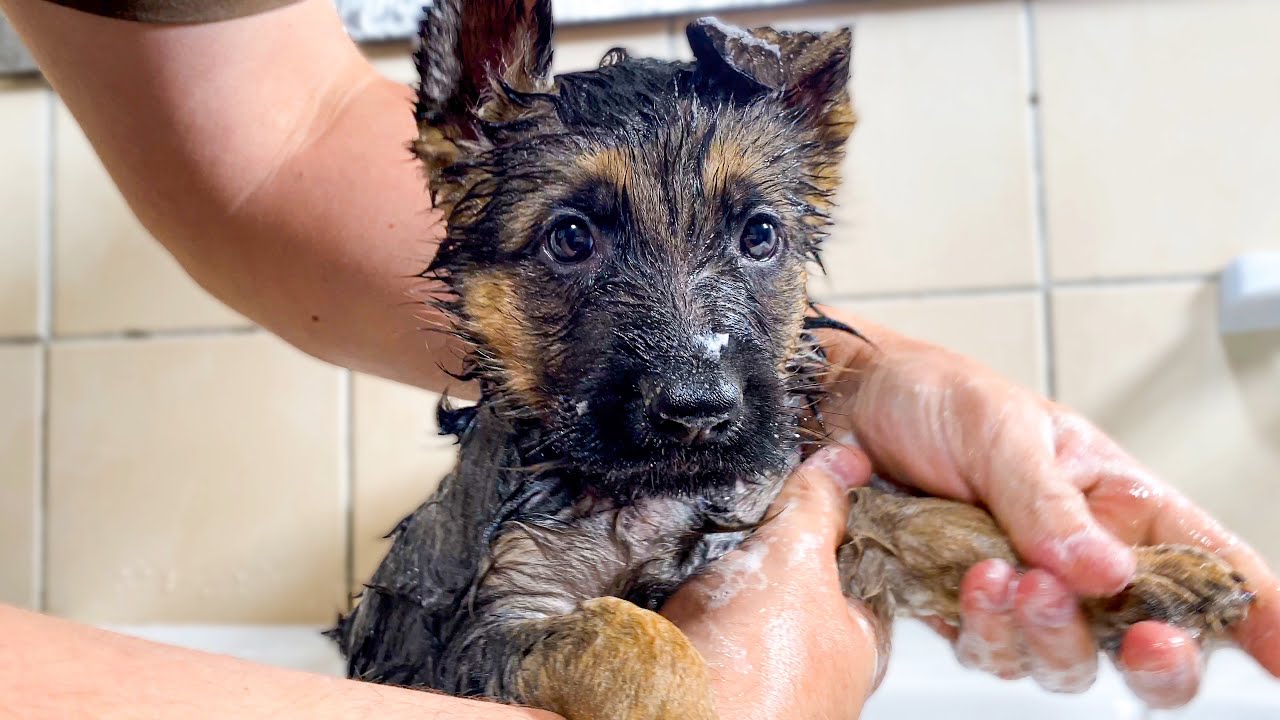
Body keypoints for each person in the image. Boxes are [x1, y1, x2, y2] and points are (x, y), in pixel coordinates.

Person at [1, 1, 1276, 718]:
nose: (694, 374)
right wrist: (674, 694)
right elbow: (515, 646)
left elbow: (278, 142)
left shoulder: (757, 408)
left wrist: (1026, 540)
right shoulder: (525, 528)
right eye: (569, 239)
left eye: (756, 234)